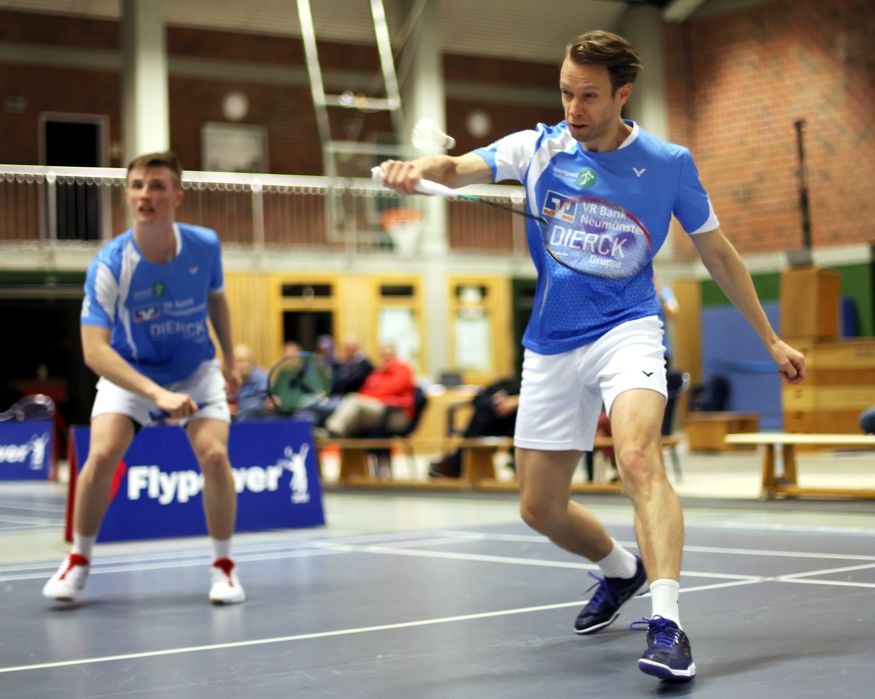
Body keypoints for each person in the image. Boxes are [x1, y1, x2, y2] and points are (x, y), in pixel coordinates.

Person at [377, 30, 805, 682]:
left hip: (627, 329)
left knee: (637, 455)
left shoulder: (667, 163)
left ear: (621, 94)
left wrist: (768, 337)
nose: (573, 108)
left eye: (587, 96)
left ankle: (668, 625)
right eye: (564, 93)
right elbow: (458, 167)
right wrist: (415, 171)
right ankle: (618, 569)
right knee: (538, 508)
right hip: (551, 341)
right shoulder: (537, 147)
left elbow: (718, 251)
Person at [42, 151, 246, 605]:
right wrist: (156, 394)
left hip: (195, 370)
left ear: (177, 195)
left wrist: (230, 359)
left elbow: (217, 299)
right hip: (131, 371)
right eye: (136, 185)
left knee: (214, 457)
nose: (144, 194)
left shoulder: (205, 245)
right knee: (102, 455)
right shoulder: (110, 264)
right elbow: (95, 351)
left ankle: (224, 567)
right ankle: (78, 559)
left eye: (156, 186)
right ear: (127, 194)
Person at [429, 377, 520, 479]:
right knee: (484, 412)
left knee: (482, 417)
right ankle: (455, 463)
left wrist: (517, 400)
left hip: (516, 423)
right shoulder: (507, 385)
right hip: (499, 420)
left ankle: (454, 463)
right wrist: (496, 400)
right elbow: (478, 399)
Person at [322, 343, 415, 437]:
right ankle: (330, 434)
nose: (386, 358)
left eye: (389, 355)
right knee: (350, 402)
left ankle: (331, 431)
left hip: (394, 413)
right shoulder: (378, 373)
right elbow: (365, 390)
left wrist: (368, 396)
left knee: (354, 401)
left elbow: (389, 390)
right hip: (376, 408)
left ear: (395, 355)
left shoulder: (403, 370)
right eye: (383, 355)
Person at [231, 343, 273, 421]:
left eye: (246, 361)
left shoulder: (262, 378)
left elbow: (270, 401)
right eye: (239, 361)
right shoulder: (228, 379)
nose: (243, 365)